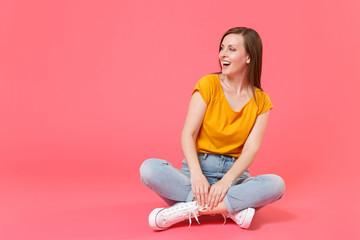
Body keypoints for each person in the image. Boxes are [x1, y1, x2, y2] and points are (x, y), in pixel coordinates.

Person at [140, 27, 285, 231]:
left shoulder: (262, 100)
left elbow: (251, 149)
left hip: (235, 177)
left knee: (276, 184)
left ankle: (189, 209)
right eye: (222, 48)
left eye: (232, 49)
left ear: (249, 57)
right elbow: (188, 134)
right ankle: (230, 208)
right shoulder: (208, 84)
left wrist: (226, 182)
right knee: (149, 168)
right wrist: (197, 175)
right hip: (197, 170)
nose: (222, 54)